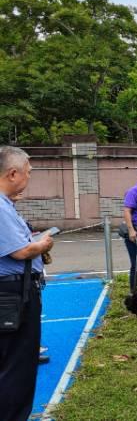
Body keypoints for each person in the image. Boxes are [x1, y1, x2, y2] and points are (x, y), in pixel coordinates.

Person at [0, 146, 54, 421]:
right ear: (12, 173)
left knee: (15, 363)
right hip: (11, 293)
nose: (29, 178)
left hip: (16, 290)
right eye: (28, 173)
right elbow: (20, 251)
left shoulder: (6, 205)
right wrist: (41, 244)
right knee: (17, 366)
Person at [9, 190, 51, 365]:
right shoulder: (3, 211)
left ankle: (30, 349)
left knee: (26, 321)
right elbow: (20, 252)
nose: (21, 191)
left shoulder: (10, 211)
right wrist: (41, 245)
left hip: (27, 279)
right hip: (14, 282)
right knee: (15, 322)